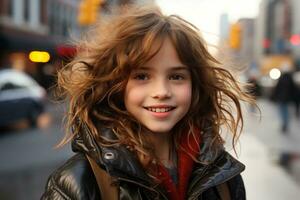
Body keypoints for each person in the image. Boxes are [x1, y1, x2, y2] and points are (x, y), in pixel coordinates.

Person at [41, 5, 254, 200]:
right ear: (116, 86)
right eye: (142, 76)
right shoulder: (75, 183)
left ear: (195, 85)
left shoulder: (223, 176)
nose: (161, 92)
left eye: (176, 77)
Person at [270, 64, 297, 133]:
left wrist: (274, 97)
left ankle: (284, 123)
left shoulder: (281, 78)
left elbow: (277, 89)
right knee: (286, 112)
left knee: (282, 111)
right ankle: (286, 123)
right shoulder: (291, 79)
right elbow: (293, 90)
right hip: (287, 99)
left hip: (281, 98)